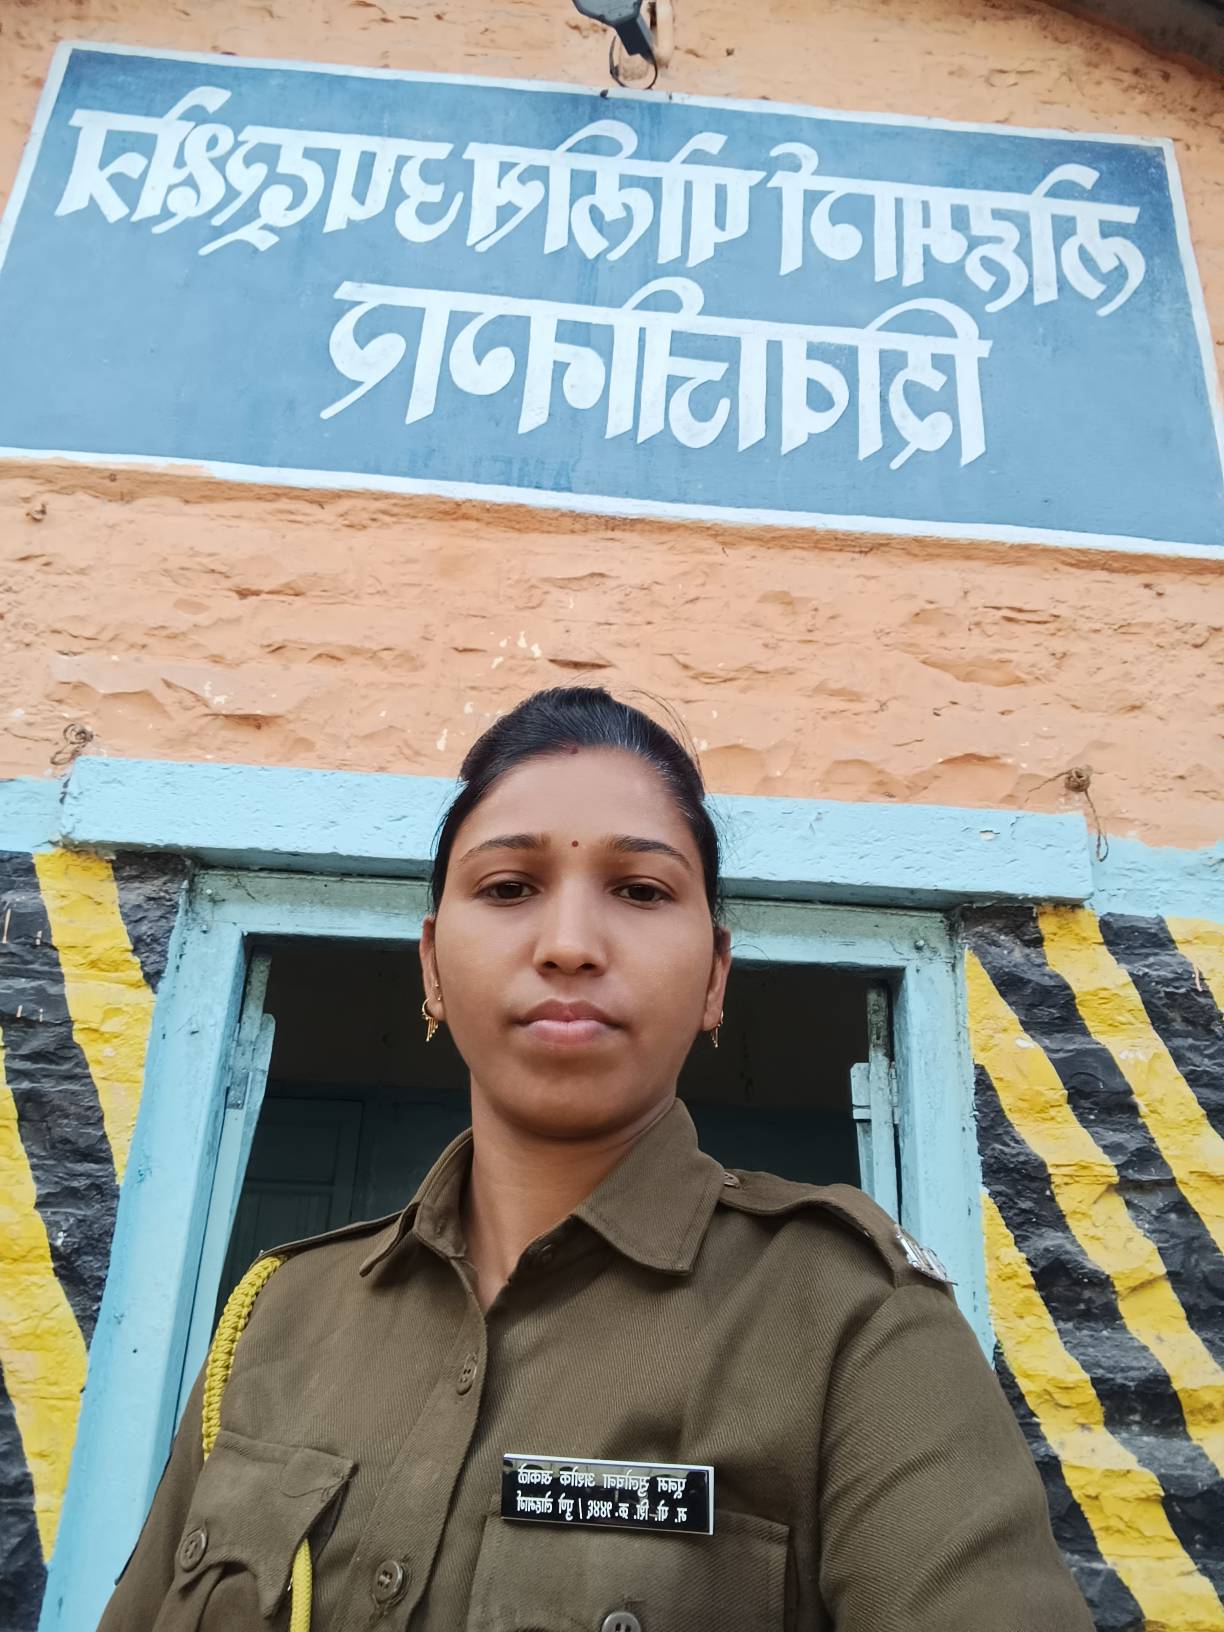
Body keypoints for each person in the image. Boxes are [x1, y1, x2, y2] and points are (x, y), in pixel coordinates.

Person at [98, 684, 1093, 1632]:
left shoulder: (852, 1324)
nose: (569, 944)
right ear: (432, 965)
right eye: (509, 887)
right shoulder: (277, 1318)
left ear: (715, 978)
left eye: (641, 889)